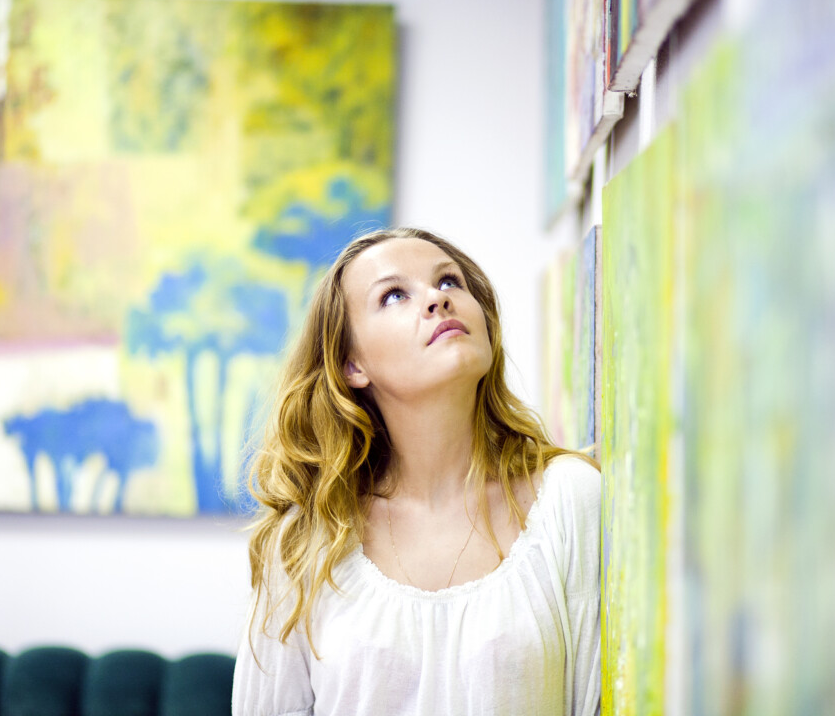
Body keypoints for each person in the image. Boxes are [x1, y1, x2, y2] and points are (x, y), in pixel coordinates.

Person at [233, 227, 601, 716]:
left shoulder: (570, 499)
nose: (436, 299)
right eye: (394, 295)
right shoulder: (302, 545)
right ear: (352, 365)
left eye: (449, 282)